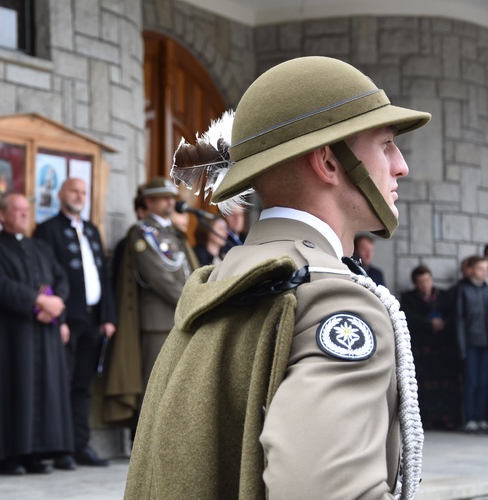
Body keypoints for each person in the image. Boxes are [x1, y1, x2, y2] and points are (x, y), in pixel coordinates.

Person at [125, 56, 431, 499]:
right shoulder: (335, 304)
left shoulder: (221, 279)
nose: (400, 165)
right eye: (385, 144)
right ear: (328, 162)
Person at [0, 193, 74, 475]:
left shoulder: (41, 247)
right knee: (16, 390)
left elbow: (61, 280)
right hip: (14, 334)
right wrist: (37, 301)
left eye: (26, 210)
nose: (23, 214)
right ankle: (10, 457)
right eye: (16, 210)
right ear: (0, 216)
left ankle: (37, 453)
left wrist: (56, 309)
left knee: (45, 391)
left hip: (46, 332)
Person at [34, 178, 117, 470]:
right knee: (63, 385)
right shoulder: (47, 230)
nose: (79, 196)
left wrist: (108, 317)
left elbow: (103, 276)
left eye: (83, 192)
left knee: (83, 386)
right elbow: (45, 278)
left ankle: (80, 445)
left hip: (94, 321)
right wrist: (61, 319)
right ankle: (61, 449)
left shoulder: (92, 230)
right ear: (60, 194)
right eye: (74, 191)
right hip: (68, 321)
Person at [103, 177, 199, 425]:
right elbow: (160, 278)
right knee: (154, 388)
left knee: (176, 389)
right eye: (164, 198)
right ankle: (145, 448)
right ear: (149, 202)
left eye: (172, 197)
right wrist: (194, 302)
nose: (170, 201)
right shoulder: (143, 233)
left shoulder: (172, 232)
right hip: (158, 322)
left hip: (180, 318)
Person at [400, 265, 461, 430]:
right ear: (416, 283)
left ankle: (447, 418)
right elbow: (408, 317)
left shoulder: (444, 296)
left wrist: (442, 323)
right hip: (423, 348)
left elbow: (453, 314)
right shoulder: (409, 298)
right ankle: (427, 419)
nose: (425, 284)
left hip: (443, 348)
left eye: (427, 280)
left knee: (446, 384)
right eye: (421, 281)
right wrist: (428, 323)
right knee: (424, 385)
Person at [454, 255, 488, 433]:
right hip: (470, 343)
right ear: (472, 270)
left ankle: (482, 417)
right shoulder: (463, 289)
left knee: (484, 382)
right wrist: (461, 347)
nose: (485, 272)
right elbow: (459, 320)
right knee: (472, 381)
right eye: (481, 269)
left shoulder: (486, 289)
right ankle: (470, 418)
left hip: (485, 344)